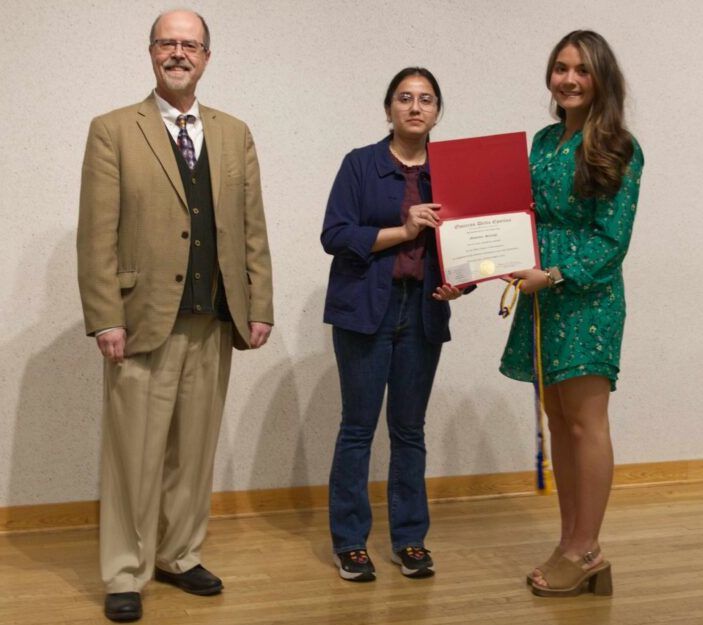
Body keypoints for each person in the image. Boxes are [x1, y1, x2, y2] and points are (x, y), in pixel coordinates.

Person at [77, 10, 273, 622]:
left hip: (214, 317)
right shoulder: (112, 130)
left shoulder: (233, 132)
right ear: (151, 52)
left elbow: (252, 228)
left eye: (191, 44)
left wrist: (259, 303)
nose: (179, 53)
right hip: (140, 321)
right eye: (168, 43)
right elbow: (96, 235)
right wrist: (106, 316)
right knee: (133, 453)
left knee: (194, 451)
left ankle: (179, 554)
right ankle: (125, 571)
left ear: (207, 57)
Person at [500, 30, 644, 597]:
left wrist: (555, 274)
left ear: (600, 78)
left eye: (581, 70)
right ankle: (571, 544)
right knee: (558, 422)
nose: (569, 79)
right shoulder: (541, 141)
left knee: (587, 424)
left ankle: (586, 548)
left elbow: (613, 241)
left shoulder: (620, 146)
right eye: (560, 68)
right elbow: (518, 214)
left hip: (588, 297)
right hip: (540, 294)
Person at [321, 67, 470, 582]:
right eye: (404, 98)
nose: (414, 107)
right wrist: (401, 230)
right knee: (358, 429)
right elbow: (335, 235)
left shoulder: (453, 170)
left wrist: (462, 284)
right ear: (388, 108)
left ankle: (409, 539)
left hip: (423, 309)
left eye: (426, 99)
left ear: (436, 111)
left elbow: (471, 247)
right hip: (366, 311)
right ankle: (350, 542)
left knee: (409, 431)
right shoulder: (360, 165)